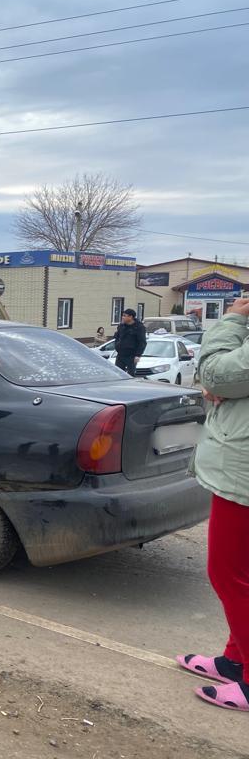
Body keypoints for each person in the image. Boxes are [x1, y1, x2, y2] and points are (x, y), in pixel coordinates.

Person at [179, 296, 249, 713]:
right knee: (239, 573)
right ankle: (234, 660)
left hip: (243, 471)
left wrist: (233, 319)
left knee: (229, 574)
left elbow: (219, 375)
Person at [113, 309, 146, 376]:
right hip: (120, 354)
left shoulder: (139, 327)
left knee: (131, 374)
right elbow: (117, 337)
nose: (123, 317)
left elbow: (142, 342)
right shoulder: (122, 326)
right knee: (118, 373)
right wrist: (117, 345)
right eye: (123, 315)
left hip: (131, 355)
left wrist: (138, 355)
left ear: (130, 317)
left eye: (125, 316)